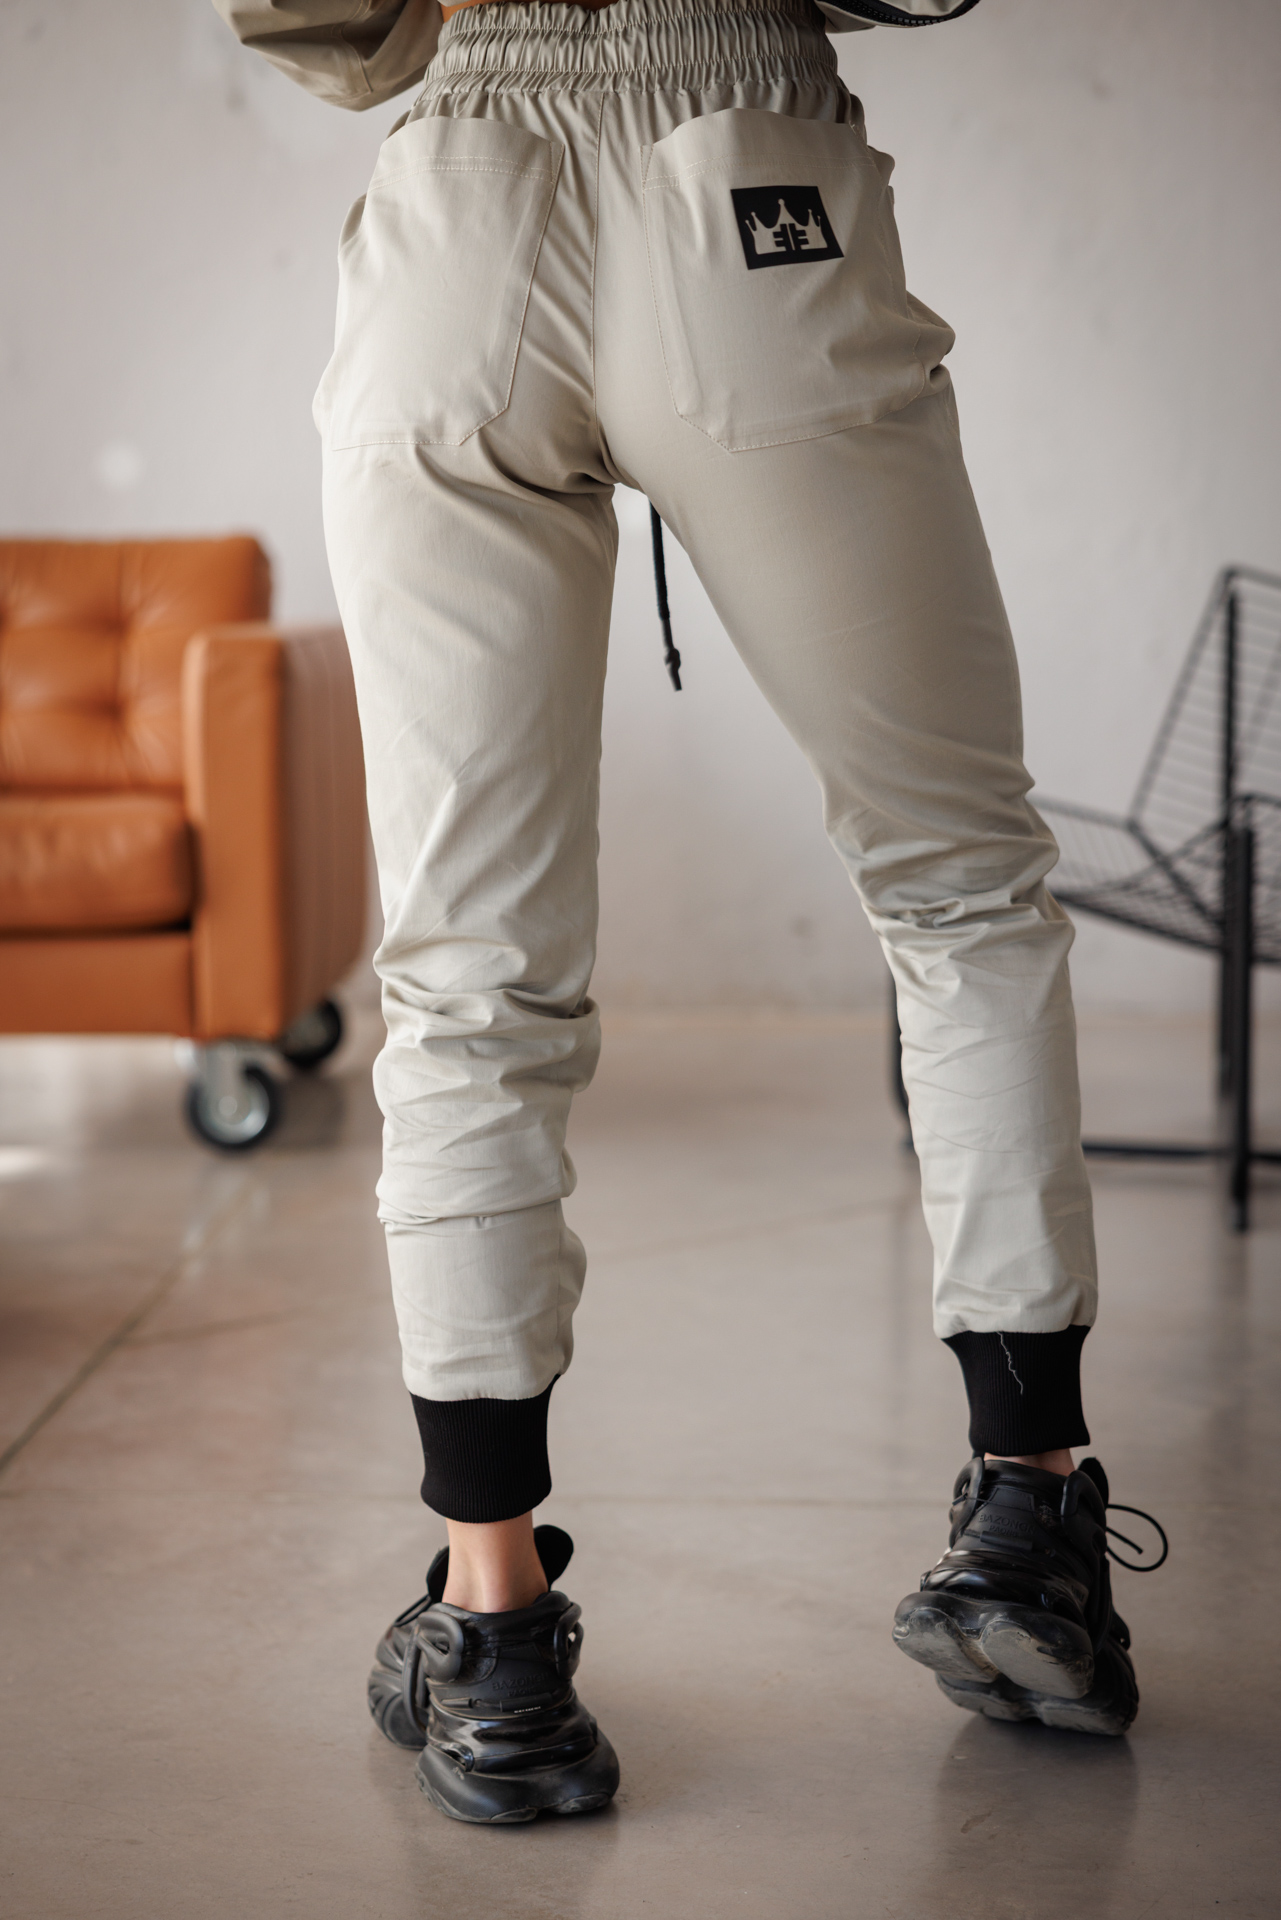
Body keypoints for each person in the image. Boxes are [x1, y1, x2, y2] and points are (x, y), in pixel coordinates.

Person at [215, 0, 1164, 1825]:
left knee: (469, 977)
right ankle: (1028, 1518)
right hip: (740, 177)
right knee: (958, 886)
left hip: (455, 217)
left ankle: (495, 1633)